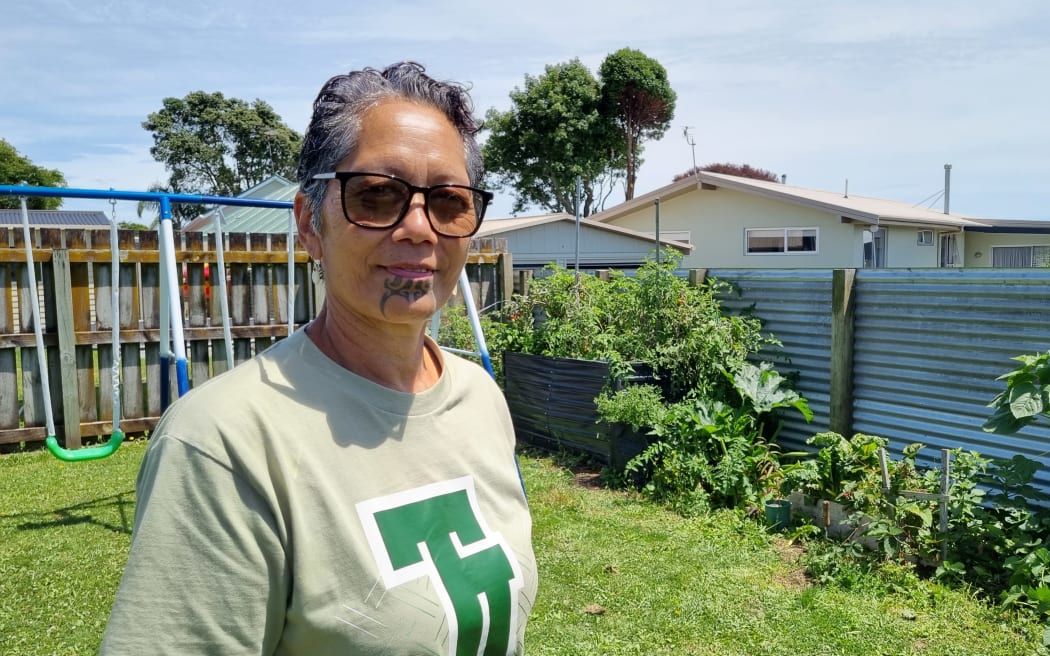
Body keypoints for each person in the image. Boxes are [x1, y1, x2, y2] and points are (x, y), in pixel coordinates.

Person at [101, 62, 537, 655]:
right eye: (377, 195)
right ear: (311, 225)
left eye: (449, 201)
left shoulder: (479, 397)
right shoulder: (225, 443)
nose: (418, 228)